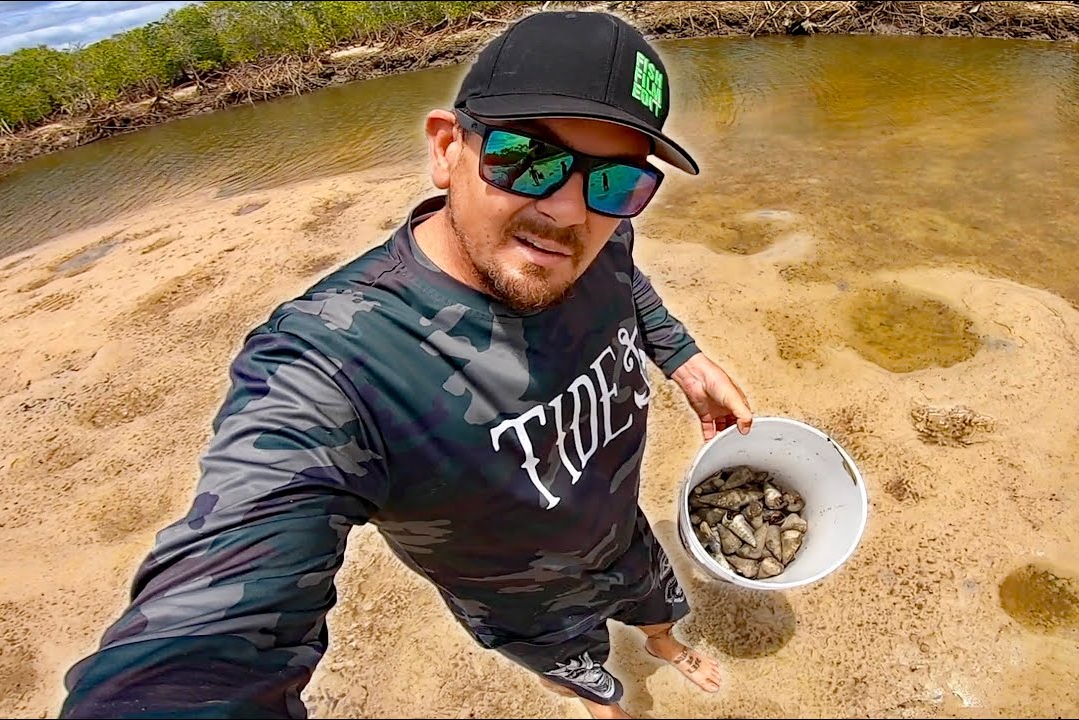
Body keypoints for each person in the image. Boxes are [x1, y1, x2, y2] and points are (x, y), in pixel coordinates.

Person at [59, 10, 753, 720]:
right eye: (529, 158)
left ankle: (664, 643)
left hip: (620, 528)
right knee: (576, 669)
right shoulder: (331, 364)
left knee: (655, 602)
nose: (570, 211)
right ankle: (594, 697)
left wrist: (680, 354)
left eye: (617, 180)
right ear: (447, 147)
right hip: (524, 600)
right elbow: (206, 637)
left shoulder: (605, 230)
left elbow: (624, 272)